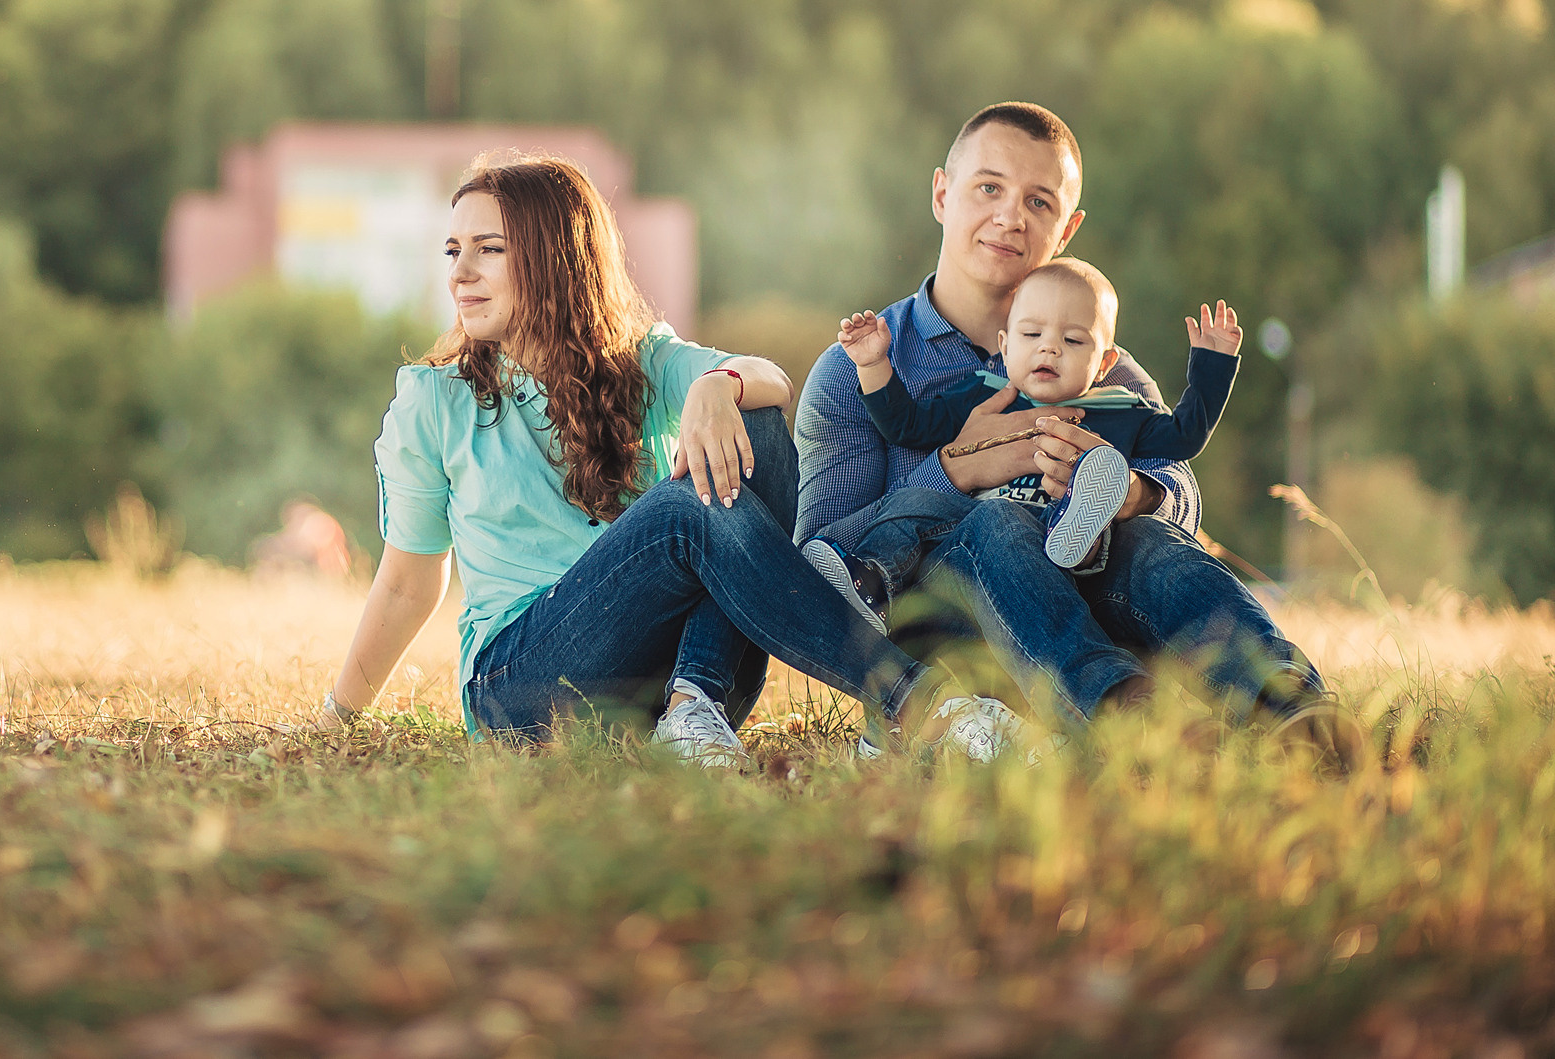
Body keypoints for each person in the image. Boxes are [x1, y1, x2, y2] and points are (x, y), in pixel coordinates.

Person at [320, 154, 1026, 766]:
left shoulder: (644, 362)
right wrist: (336, 719)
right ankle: (914, 702)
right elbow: (409, 584)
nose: (461, 274)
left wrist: (719, 386)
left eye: (489, 250)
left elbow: (771, 379)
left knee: (755, 425)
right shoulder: (434, 400)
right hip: (523, 687)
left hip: (660, 683)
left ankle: (695, 701)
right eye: (453, 251)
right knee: (686, 511)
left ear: (553, 258)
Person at [795, 103, 1358, 767]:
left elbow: (1180, 489)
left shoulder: (1102, 369)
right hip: (951, 638)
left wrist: (1133, 494)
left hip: (1087, 597)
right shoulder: (861, 368)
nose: (1011, 216)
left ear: (1066, 228)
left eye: (1039, 201)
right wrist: (955, 471)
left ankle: (1290, 708)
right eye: (989, 188)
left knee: (1149, 538)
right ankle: (1121, 711)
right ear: (942, 192)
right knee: (997, 524)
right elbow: (818, 570)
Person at [841, 256, 1242, 569]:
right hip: (978, 550)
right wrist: (874, 365)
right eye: (1031, 334)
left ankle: (1075, 528)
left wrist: (1212, 365)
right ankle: (870, 572)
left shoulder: (1120, 410)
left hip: (1069, 564)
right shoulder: (984, 397)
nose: (1049, 348)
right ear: (1006, 344)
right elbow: (905, 425)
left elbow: (1184, 437)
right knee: (924, 509)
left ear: (1104, 364)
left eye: (1072, 340)